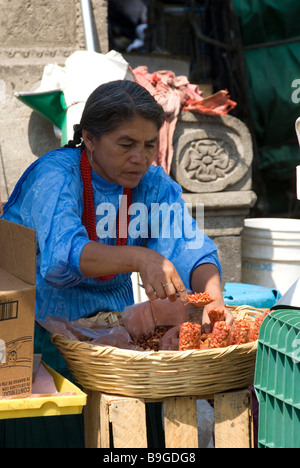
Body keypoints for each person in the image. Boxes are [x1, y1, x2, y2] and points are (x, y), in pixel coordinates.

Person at [1, 80, 232, 447]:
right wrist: (142, 257)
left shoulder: (152, 184)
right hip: (40, 338)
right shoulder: (56, 176)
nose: (140, 157)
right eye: (126, 144)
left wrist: (214, 299)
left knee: (136, 437)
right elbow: (64, 252)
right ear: (90, 139)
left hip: (117, 341)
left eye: (149, 145)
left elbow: (190, 247)